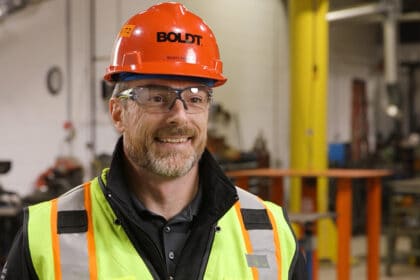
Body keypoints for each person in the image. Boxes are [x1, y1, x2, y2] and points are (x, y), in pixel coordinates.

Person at [2, 2, 307, 279]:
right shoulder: (47, 237)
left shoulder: (270, 231)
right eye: (156, 97)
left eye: (195, 97)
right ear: (118, 112)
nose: (179, 116)